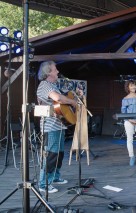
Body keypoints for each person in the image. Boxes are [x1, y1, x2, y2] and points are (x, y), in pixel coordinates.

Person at [37, 61, 77, 193]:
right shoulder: (45, 85)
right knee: (51, 155)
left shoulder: (53, 85)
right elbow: (58, 98)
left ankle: (54, 177)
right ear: (48, 72)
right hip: (50, 127)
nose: (58, 71)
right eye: (55, 70)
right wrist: (73, 102)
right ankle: (43, 184)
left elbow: (60, 101)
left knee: (59, 154)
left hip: (59, 126)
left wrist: (74, 95)